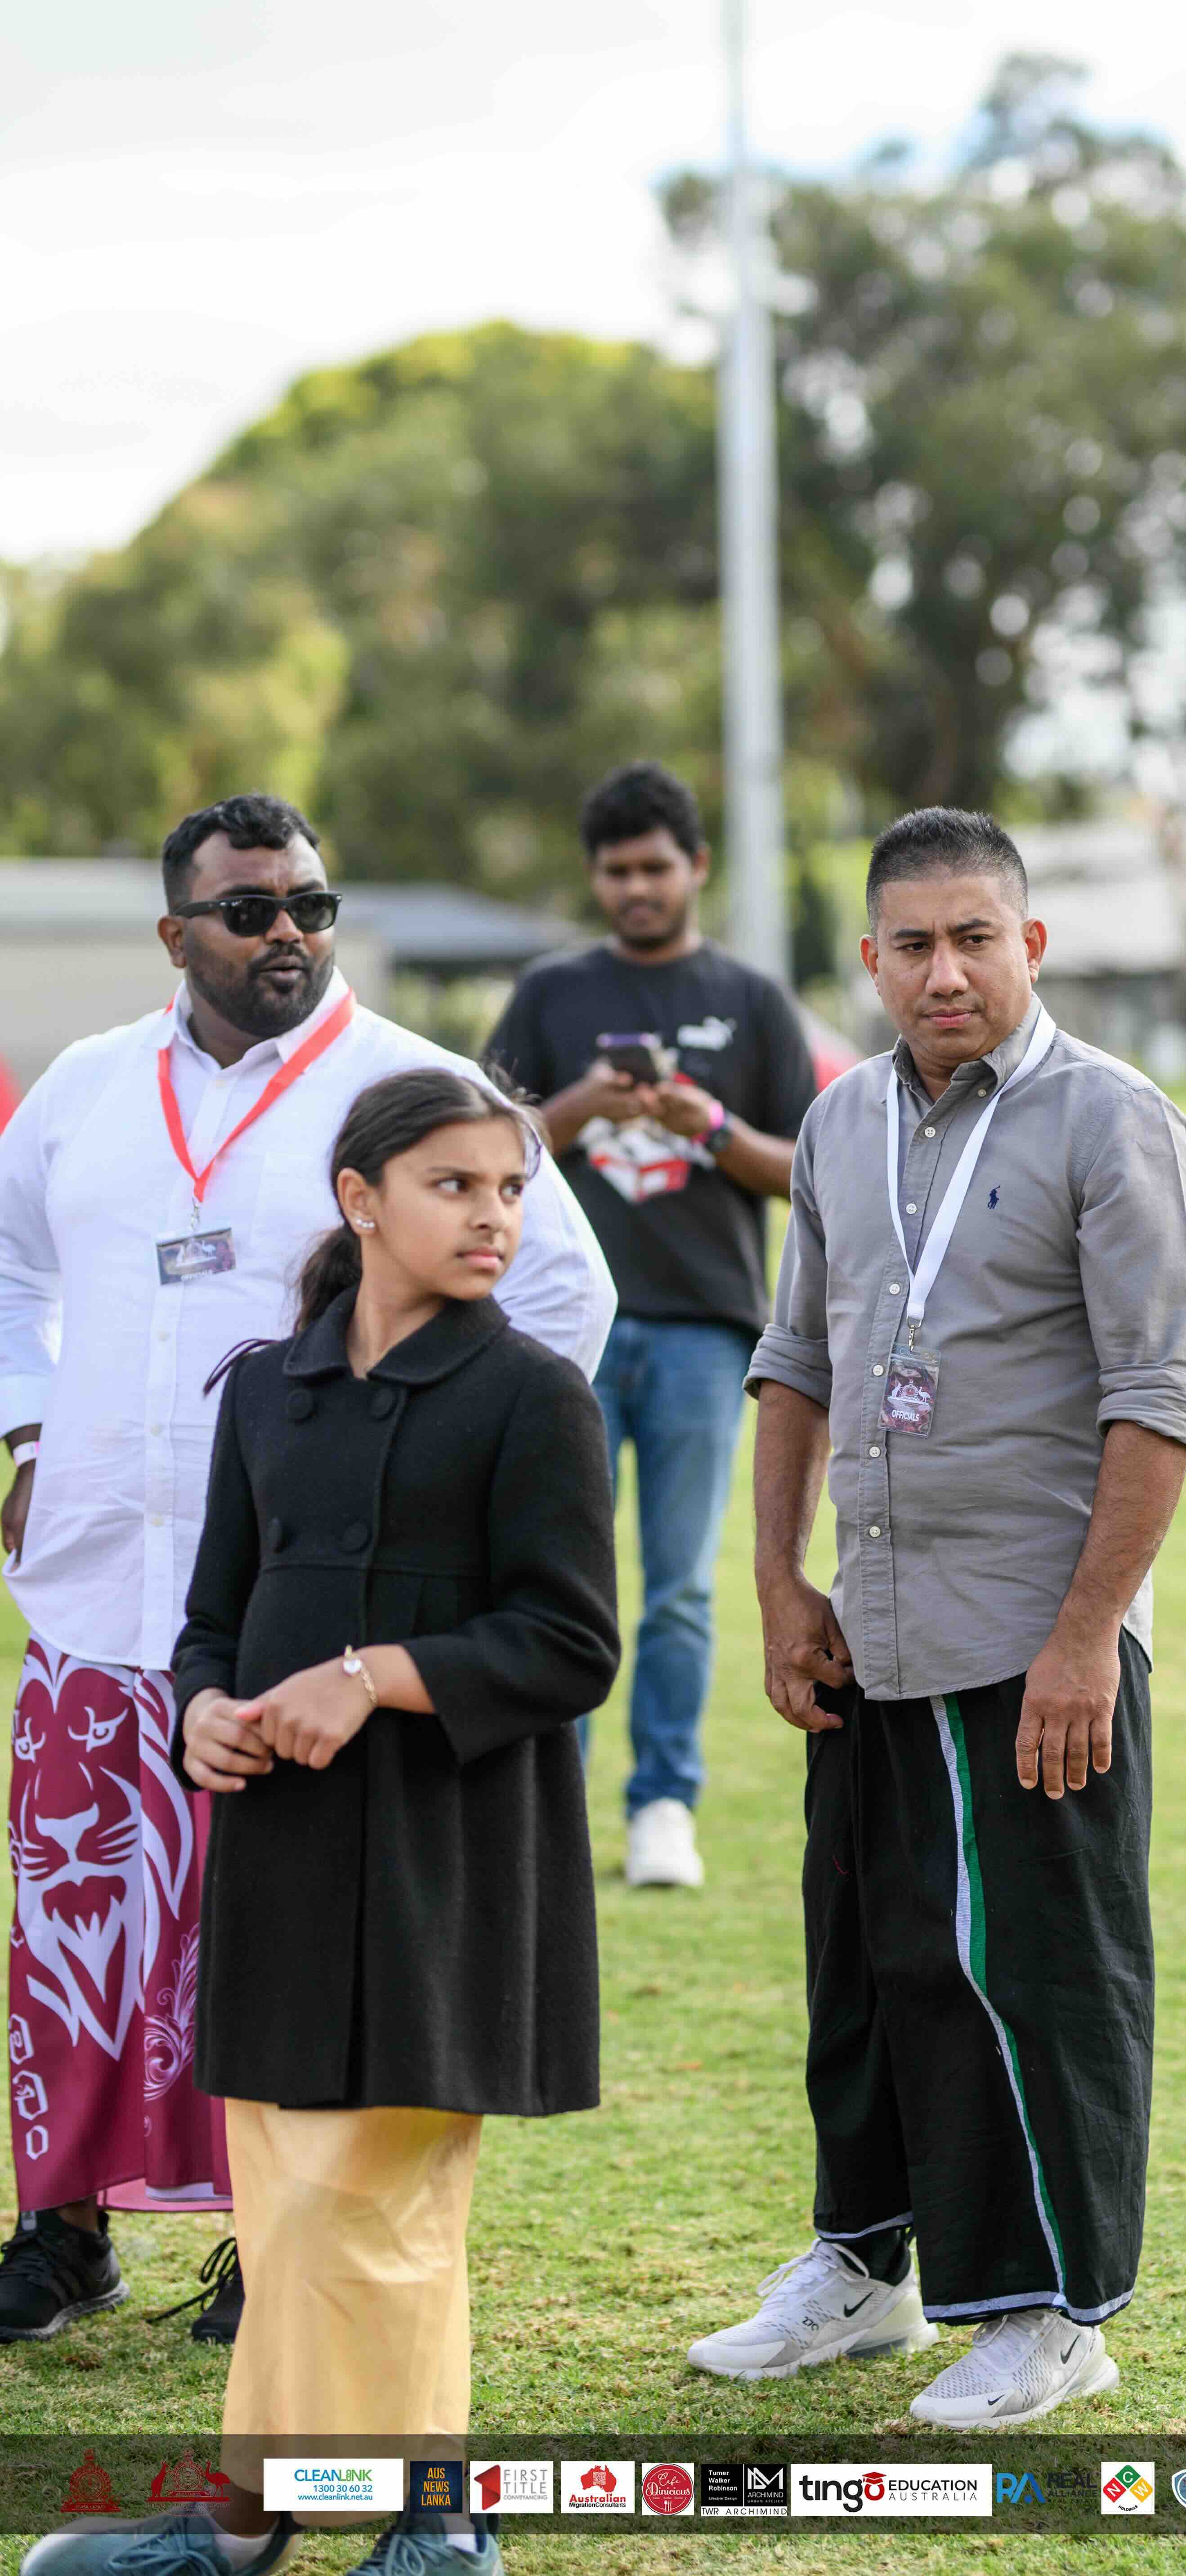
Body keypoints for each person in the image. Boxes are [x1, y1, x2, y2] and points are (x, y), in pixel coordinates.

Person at [0, 794, 614, 2350]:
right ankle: (62, 2232)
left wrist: (436, 1476)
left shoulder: (415, 1090)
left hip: (311, 1613)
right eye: (252, 909)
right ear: (175, 934)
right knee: (79, 1923)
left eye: (312, 905)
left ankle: (270, 2245)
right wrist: (27, 1425)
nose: (289, 931)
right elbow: (8, 1263)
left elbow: (564, 1289)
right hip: (99, 1575)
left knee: (267, 1931)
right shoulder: (85, 1087)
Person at [24, 1067, 618, 2576]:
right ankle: (250, 2521)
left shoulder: (534, 1395)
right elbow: (211, 1618)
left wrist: (371, 1676)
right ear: (361, 1199)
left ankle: (434, 2523)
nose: (494, 1216)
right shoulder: (265, 1389)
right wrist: (201, 1711)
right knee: (292, 2196)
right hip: (283, 1848)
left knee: (374, 2195)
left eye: (509, 1188)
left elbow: (570, 1643)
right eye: (455, 1185)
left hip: (449, 1853)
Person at [685, 807, 1186, 2427]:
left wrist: (1086, 1635)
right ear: (869, 958)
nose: (945, 972)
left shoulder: (1111, 1120)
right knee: (869, 1960)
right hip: (874, 1622)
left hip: (1034, 1631)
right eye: (912, 944)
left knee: (1039, 1980)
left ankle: (1056, 2312)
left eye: (976, 937)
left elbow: (1157, 1396)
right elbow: (795, 1360)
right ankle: (866, 2265)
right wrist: (781, 1582)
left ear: (1030, 943)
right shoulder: (839, 1120)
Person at [485, 761, 817, 1891]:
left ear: (696, 868)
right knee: (556, 1578)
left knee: (679, 1585)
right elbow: (474, 1149)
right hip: (557, 1337)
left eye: (655, 868)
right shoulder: (550, 995)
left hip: (703, 1332)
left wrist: (705, 1123)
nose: (636, 888)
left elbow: (810, 1169)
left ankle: (664, 1803)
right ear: (594, 877)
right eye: (616, 871)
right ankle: (550, 1803)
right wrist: (580, 1107)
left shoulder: (752, 1000)